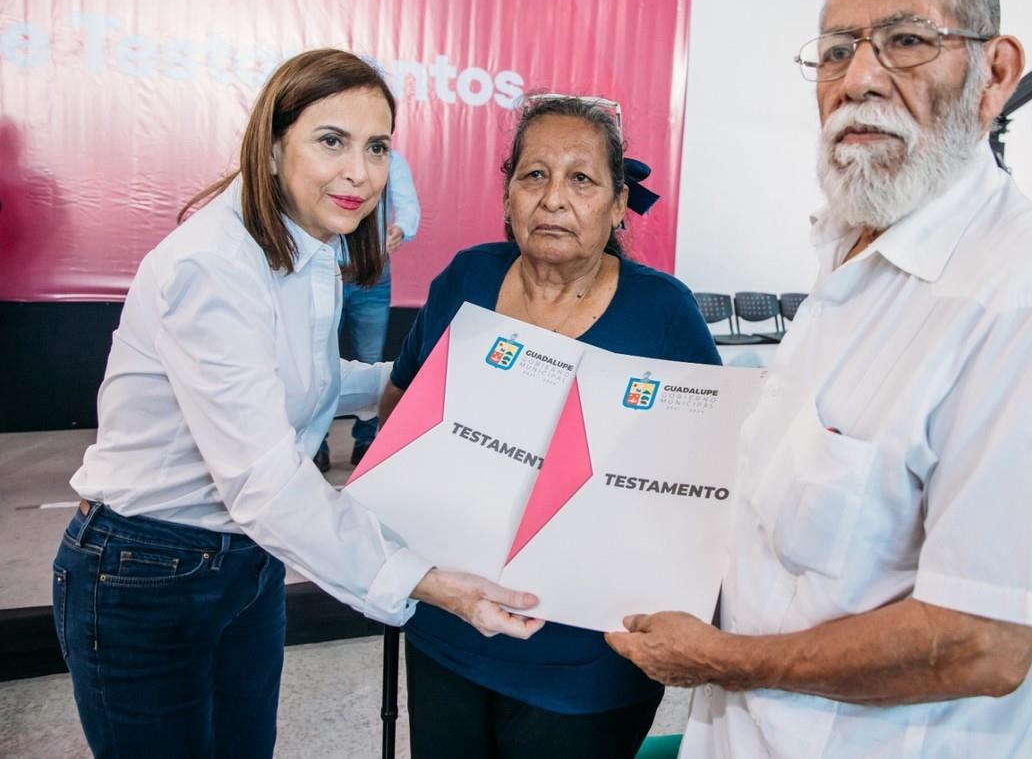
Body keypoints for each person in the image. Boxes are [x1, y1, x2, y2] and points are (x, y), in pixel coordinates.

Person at [605, 0, 1032, 756]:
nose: (861, 78)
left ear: (995, 73)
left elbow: (986, 641)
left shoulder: (1028, 293)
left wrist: (727, 658)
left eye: (908, 42)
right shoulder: (848, 251)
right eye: (838, 50)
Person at [52, 49, 542, 759]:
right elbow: (267, 483)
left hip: (246, 564)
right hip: (145, 570)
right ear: (274, 146)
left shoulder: (308, 243)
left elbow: (300, 381)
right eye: (331, 140)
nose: (361, 172)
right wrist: (429, 581)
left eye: (377, 147)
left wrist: (415, 381)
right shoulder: (215, 265)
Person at [379, 95, 720, 758]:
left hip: (584, 660)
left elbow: (706, 486)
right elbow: (401, 408)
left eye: (581, 179)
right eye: (533, 175)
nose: (553, 198)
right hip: (447, 625)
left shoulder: (663, 313)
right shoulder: (466, 278)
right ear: (507, 194)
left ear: (620, 204)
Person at [315, 148, 421, 472]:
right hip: (321, 270)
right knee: (315, 359)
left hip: (371, 274)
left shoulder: (392, 161)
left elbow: (408, 206)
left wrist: (401, 228)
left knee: (370, 359)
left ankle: (365, 439)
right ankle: (316, 442)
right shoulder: (323, 159)